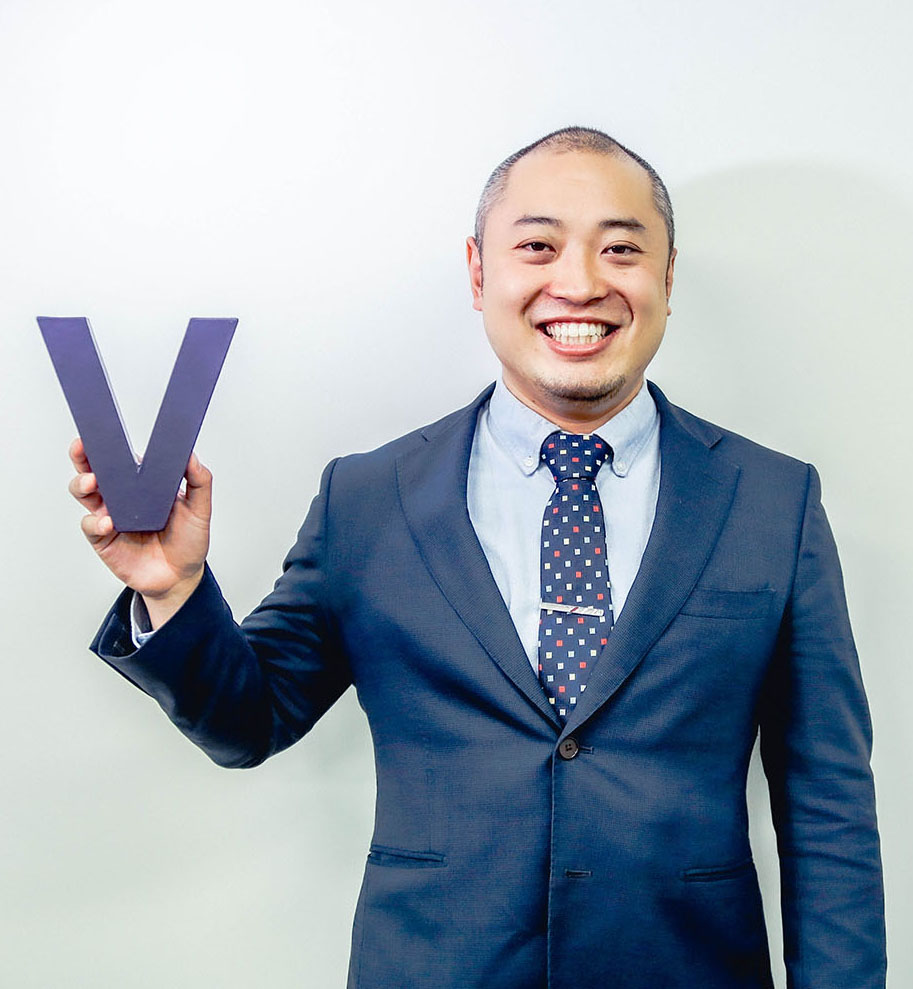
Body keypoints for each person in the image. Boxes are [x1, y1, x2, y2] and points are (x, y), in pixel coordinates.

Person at [68, 127, 886, 988]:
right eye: (537, 246)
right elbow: (247, 722)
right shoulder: (368, 497)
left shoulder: (771, 500)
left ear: (668, 276)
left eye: (620, 249)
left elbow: (827, 806)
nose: (580, 282)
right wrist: (174, 588)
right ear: (477, 271)